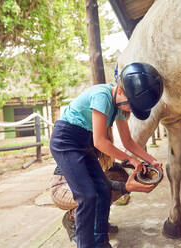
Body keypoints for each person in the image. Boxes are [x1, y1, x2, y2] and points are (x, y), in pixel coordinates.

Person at [50, 62, 164, 248]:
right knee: (87, 195)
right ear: (121, 91)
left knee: (103, 189)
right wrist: (130, 160)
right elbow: (100, 142)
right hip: (66, 141)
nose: (129, 111)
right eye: (130, 106)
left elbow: (128, 142)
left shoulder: (118, 106)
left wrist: (151, 160)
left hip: (82, 143)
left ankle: (100, 242)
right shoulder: (102, 96)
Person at [50, 162, 130, 243]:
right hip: (62, 187)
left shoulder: (100, 154)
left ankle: (99, 221)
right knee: (95, 194)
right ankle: (71, 219)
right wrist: (125, 187)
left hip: (82, 183)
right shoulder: (85, 151)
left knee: (121, 177)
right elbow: (98, 182)